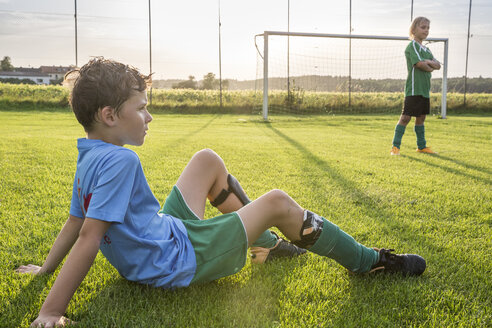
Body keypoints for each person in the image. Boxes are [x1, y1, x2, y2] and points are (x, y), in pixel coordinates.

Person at [16, 58, 426, 327]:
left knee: (207, 159)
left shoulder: (89, 154)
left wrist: (45, 269)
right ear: (109, 115)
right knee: (279, 202)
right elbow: (87, 234)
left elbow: (75, 220)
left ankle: (266, 246)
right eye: (141, 107)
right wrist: (51, 311)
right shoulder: (122, 161)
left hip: (165, 235)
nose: (150, 115)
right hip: (175, 258)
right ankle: (368, 262)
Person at [391, 16, 441, 156]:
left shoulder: (427, 50)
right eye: (423, 27)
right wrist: (428, 64)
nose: (426, 30)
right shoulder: (412, 46)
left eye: (428, 28)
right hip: (413, 89)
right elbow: (419, 64)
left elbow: (437, 65)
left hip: (425, 89)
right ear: (414, 29)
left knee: (421, 117)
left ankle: (421, 146)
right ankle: (395, 147)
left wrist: (428, 62)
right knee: (406, 117)